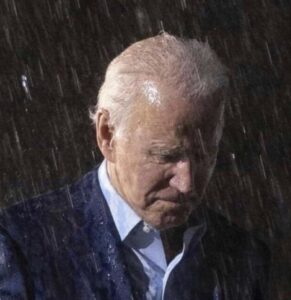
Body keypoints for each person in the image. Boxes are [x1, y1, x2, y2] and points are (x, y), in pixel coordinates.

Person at [0, 33, 269, 300]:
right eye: (166, 156)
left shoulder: (242, 256)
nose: (187, 183)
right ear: (107, 135)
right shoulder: (20, 246)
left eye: (204, 156)